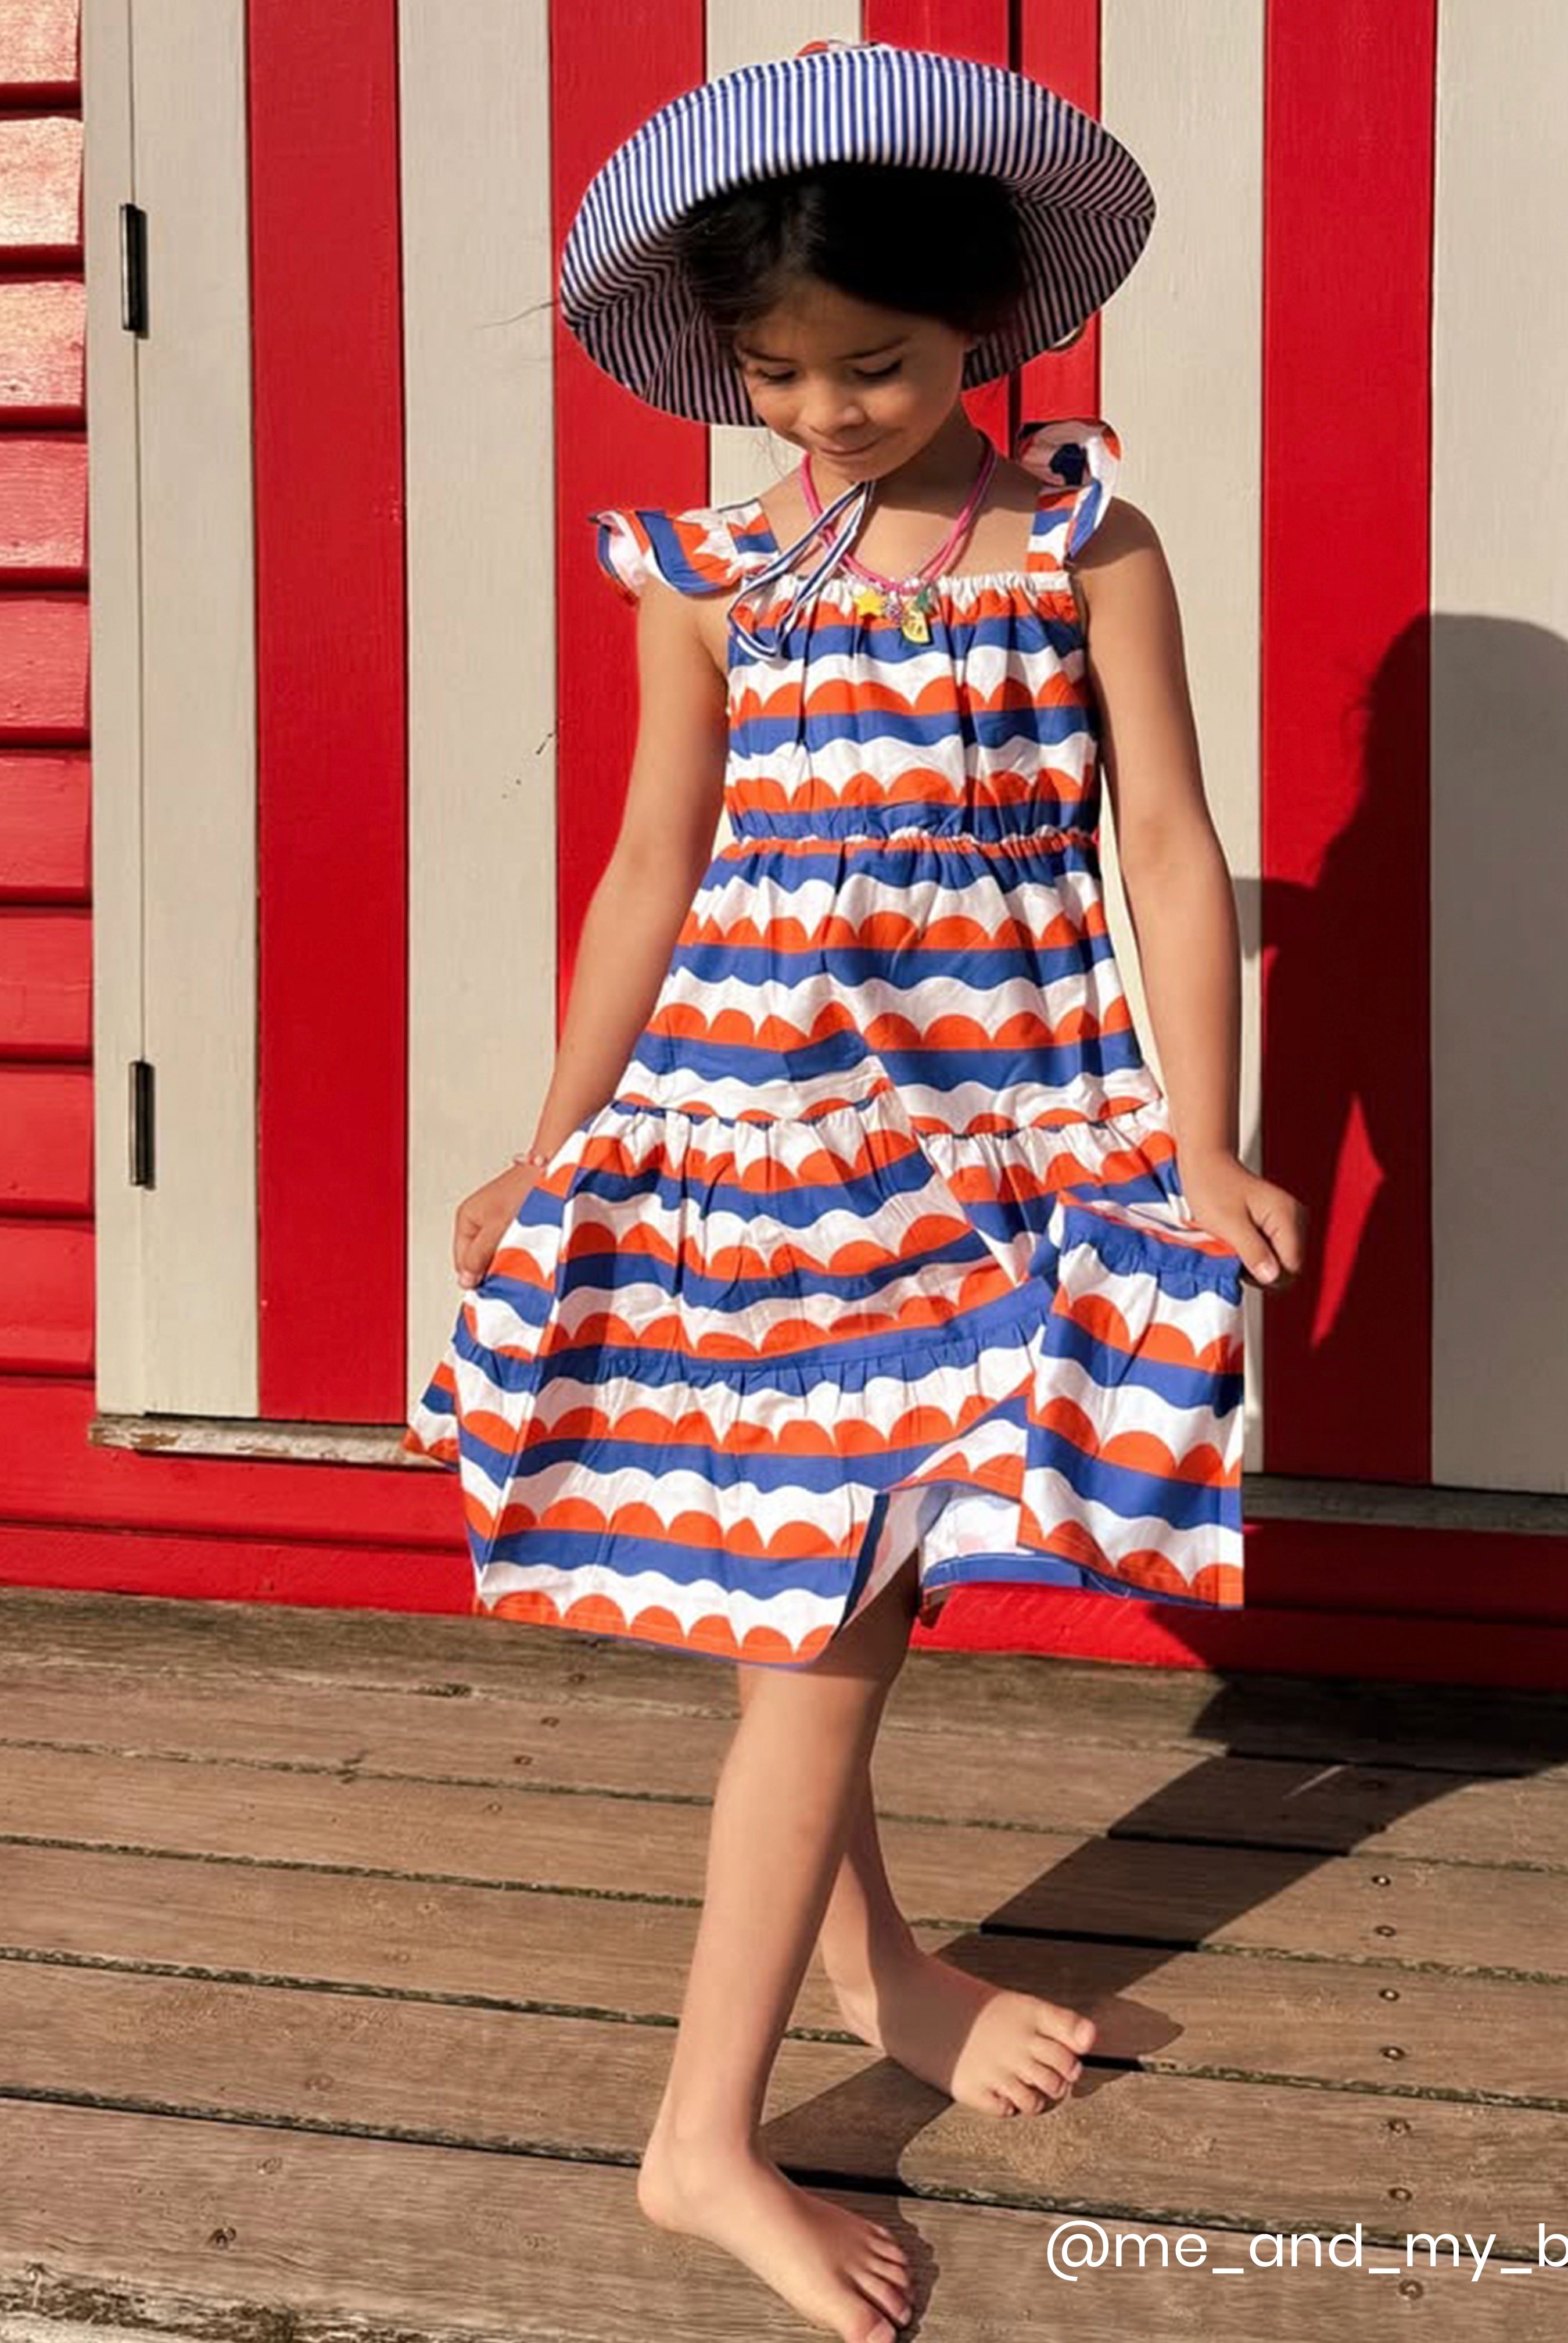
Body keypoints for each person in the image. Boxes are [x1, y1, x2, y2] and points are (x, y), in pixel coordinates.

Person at [404, 37, 1306, 2342]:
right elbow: (645, 867)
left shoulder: (1080, 546)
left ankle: (863, 1980)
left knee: (836, 1590)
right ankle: (706, 2135)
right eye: (776, 372)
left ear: (988, 324)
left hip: (1003, 1132)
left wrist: (1202, 1135)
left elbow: (1176, 854)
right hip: (761, 1131)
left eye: (875, 365)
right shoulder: (705, 578)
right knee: (806, 1603)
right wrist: (556, 1123)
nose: (823, 411)